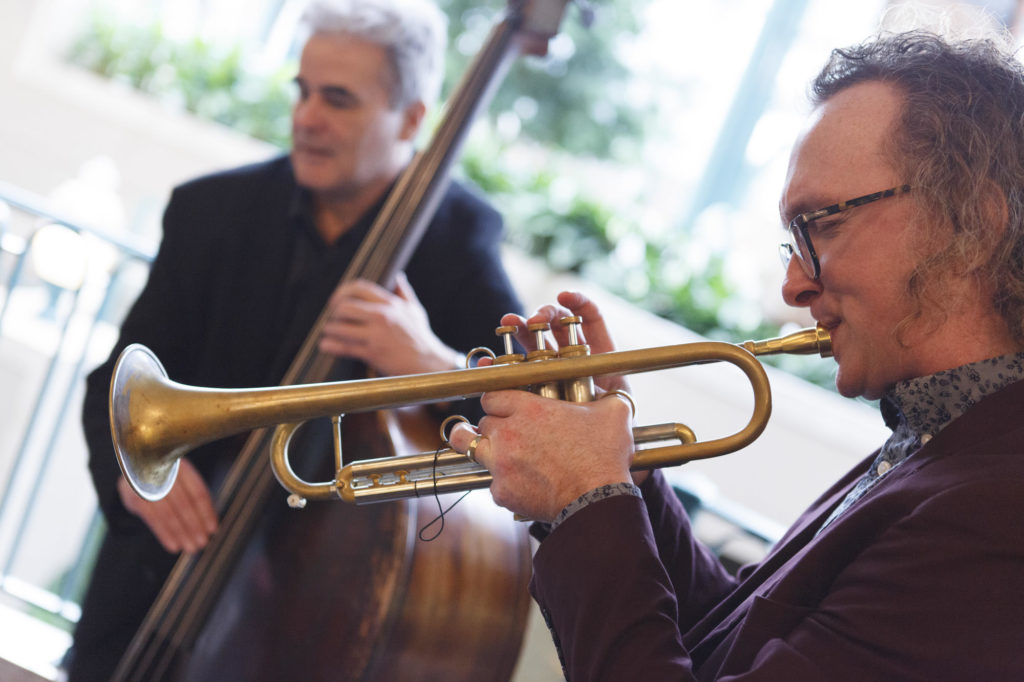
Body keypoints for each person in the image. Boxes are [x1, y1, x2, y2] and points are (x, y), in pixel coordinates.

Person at [451, 28, 1024, 680]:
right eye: (794, 239)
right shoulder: (938, 432)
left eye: (825, 224)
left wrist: (587, 498)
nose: (794, 285)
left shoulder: (1000, 511)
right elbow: (726, 636)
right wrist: (622, 471)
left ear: (973, 223)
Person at [67, 0, 522, 679]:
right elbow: (116, 389)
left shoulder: (457, 244)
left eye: (338, 100)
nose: (306, 118)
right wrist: (139, 483)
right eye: (302, 91)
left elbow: (537, 418)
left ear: (413, 118)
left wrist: (431, 362)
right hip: (149, 604)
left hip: (312, 644)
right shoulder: (210, 212)